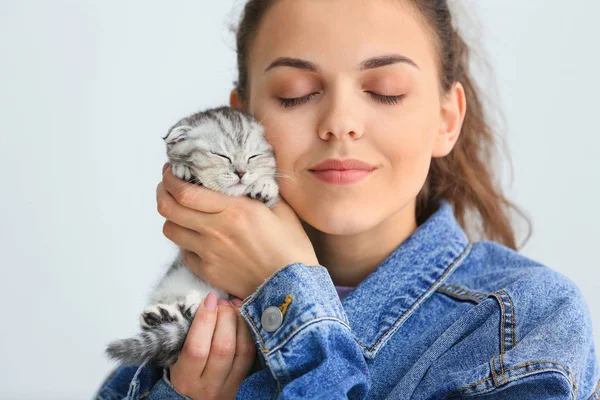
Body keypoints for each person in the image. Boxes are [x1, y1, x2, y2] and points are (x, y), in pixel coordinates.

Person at [94, 0, 600, 398]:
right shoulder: (193, 310)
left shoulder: (524, 321)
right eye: (294, 93)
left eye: (384, 90)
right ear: (242, 120)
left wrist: (287, 290)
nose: (340, 122)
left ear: (446, 119)